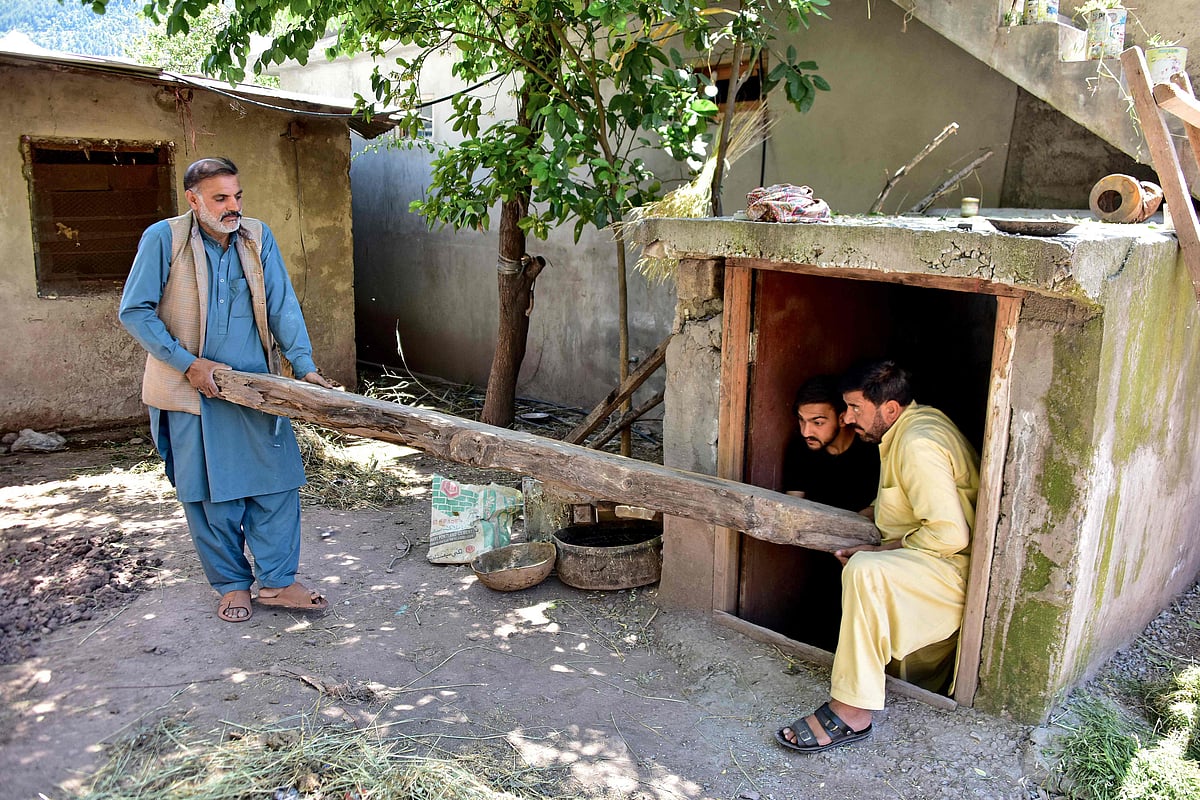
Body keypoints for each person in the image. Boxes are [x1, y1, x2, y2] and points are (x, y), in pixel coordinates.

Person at [119, 156, 332, 624]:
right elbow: (134, 311)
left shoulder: (257, 236)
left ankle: (278, 583)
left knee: (277, 487)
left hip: (257, 390)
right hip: (190, 391)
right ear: (193, 200)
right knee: (208, 495)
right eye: (220, 198)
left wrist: (304, 366)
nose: (232, 206)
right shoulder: (165, 238)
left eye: (237, 196)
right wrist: (188, 364)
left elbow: (282, 303)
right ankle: (233, 585)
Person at [775, 360, 980, 753]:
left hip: (948, 572)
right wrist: (870, 515)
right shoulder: (913, 424)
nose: (849, 418)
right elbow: (906, 497)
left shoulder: (917, 445)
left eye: (855, 409)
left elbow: (949, 534)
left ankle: (852, 712)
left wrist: (877, 551)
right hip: (930, 564)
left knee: (865, 571)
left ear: (888, 409)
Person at [781, 375, 879, 513]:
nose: (806, 432)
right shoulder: (799, 449)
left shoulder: (871, 451)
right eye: (801, 420)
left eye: (818, 422)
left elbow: (878, 512)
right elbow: (793, 507)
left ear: (842, 419)